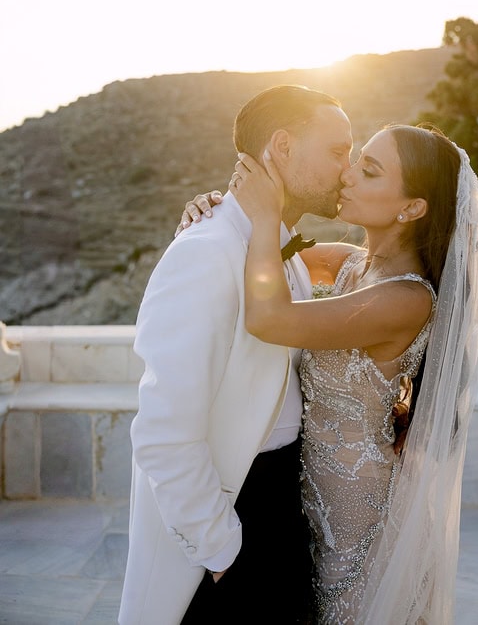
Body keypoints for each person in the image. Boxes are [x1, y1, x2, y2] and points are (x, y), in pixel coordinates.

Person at [178, 123, 478, 624]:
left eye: (369, 170)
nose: (347, 175)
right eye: (353, 160)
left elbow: (269, 318)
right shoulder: (351, 266)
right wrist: (218, 211)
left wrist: (260, 213)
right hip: (311, 506)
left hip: (361, 522)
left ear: (412, 207)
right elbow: (251, 252)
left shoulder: (406, 300)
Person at [118, 84, 353, 625]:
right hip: (229, 528)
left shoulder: (280, 248)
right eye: (338, 150)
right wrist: (224, 553)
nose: (349, 167)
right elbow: (163, 432)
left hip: (278, 505)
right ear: (283, 147)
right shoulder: (205, 252)